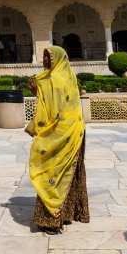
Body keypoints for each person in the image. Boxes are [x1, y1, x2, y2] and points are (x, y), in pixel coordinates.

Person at [27, 46, 89, 235]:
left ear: (58, 59)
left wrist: (37, 92)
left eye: (49, 57)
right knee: (70, 171)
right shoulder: (70, 76)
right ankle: (71, 213)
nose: (45, 59)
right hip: (76, 130)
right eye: (45, 56)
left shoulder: (51, 79)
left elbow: (52, 111)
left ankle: (50, 220)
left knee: (52, 174)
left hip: (61, 134)